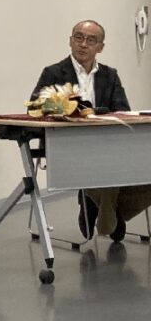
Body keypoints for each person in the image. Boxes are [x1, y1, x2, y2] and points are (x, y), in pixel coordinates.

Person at [31, 19, 151, 240]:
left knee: (138, 168)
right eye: (78, 37)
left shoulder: (110, 75)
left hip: (108, 145)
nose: (83, 44)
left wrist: (90, 110)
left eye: (91, 40)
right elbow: (37, 106)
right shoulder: (54, 72)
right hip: (67, 147)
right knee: (108, 165)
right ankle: (109, 212)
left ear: (100, 47)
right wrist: (85, 110)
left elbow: (123, 110)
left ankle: (104, 206)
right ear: (70, 41)